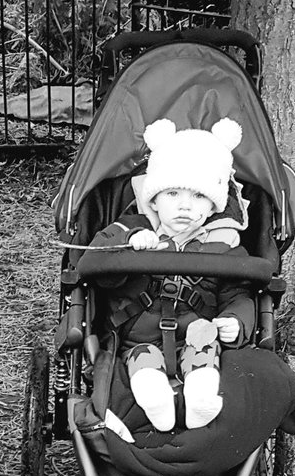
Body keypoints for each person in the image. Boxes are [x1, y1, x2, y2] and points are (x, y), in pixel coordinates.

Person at [89, 117, 256, 432]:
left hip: (197, 337)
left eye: (197, 197)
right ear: (153, 198)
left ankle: (201, 399)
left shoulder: (224, 246)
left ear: (212, 207)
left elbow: (239, 294)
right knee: (144, 362)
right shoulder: (131, 230)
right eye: (172, 195)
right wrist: (128, 246)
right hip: (139, 338)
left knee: (205, 347)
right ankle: (156, 401)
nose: (184, 207)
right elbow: (99, 273)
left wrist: (237, 321)